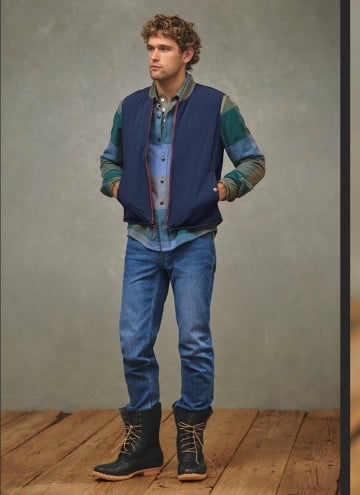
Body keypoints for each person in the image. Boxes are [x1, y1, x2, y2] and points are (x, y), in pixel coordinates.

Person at [92, 13, 265, 482]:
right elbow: (110, 161)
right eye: (150, 47)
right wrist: (117, 188)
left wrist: (223, 190)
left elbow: (252, 160)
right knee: (134, 343)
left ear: (186, 55)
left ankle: (190, 441)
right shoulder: (129, 106)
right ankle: (144, 443)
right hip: (142, 243)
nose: (153, 56)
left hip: (193, 242)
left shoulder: (216, 105)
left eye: (164, 48)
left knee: (193, 341)